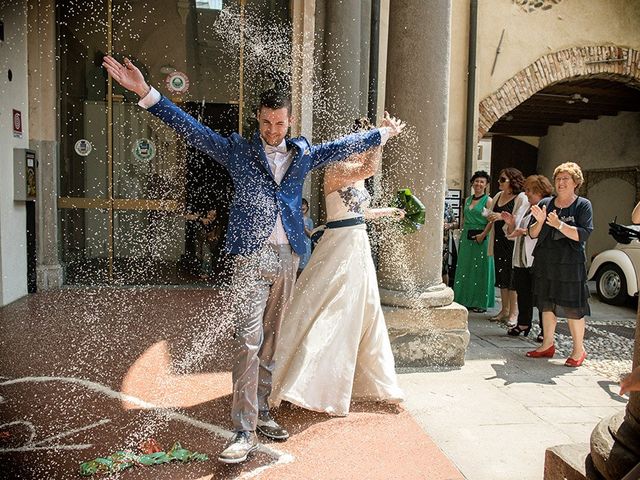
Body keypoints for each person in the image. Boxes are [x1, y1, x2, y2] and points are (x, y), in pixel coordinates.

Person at [102, 55, 405, 463]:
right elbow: (192, 130)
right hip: (250, 256)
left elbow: (342, 147)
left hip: (289, 256)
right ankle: (242, 430)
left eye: (279, 123)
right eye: (265, 123)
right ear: (257, 119)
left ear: (289, 121)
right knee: (248, 340)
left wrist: (381, 135)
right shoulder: (238, 151)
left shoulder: (303, 154)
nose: (272, 131)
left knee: (273, 341)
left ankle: (262, 411)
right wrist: (145, 92)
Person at [270, 117, 406, 416]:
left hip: (358, 242)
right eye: (362, 142)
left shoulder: (355, 175)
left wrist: (386, 212)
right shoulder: (336, 168)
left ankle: (379, 384)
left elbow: (359, 211)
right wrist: (382, 138)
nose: (363, 148)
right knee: (332, 308)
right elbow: (370, 169)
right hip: (340, 243)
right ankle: (305, 383)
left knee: (367, 309)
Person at [526, 162, 593, 367]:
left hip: (570, 264)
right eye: (558, 179)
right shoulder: (547, 202)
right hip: (547, 261)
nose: (561, 182)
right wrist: (539, 221)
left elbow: (583, 234)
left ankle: (578, 350)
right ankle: (547, 344)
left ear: (575, 182)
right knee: (546, 304)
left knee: (573, 307)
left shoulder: (583, 205)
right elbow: (532, 233)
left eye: (566, 179)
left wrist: (559, 225)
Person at [501, 175, 553, 339]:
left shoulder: (547, 207)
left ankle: (546, 330)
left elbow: (543, 232)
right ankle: (523, 323)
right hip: (520, 257)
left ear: (540, 191)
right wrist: (510, 224)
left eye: (530, 190)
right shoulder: (525, 207)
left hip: (536, 258)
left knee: (541, 296)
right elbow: (512, 233)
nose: (527, 193)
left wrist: (522, 232)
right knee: (523, 292)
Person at [487, 168, 526, 326]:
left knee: (512, 278)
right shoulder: (497, 196)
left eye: (503, 180)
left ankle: (513, 313)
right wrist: (491, 216)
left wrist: (501, 218)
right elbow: (491, 214)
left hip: (512, 242)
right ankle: (504, 310)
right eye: (499, 179)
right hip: (498, 241)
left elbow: (520, 219)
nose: (499, 182)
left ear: (512, 181)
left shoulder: (520, 198)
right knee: (502, 276)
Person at [453, 171, 495, 313]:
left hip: (481, 236)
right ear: (472, 183)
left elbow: (491, 220)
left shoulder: (488, 201)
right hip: (467, 236)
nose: (478, 184)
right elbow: (464, 218)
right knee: (466, 267)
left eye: (482, 182)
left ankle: (479, 302)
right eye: (476, 181)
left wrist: (483, 234)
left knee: (479, 269)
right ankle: (464, 299)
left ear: (486, 185)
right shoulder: (468, 200)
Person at [298, 198, 314, 274]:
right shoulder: (294, 219)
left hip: (306, 243)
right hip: (297, 243)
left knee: (304, 264)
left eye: (303, 209)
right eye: (299, 209)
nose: (301, 211)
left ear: (307, 208)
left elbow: (311, 235)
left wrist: (304, 228)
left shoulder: (309, 220)